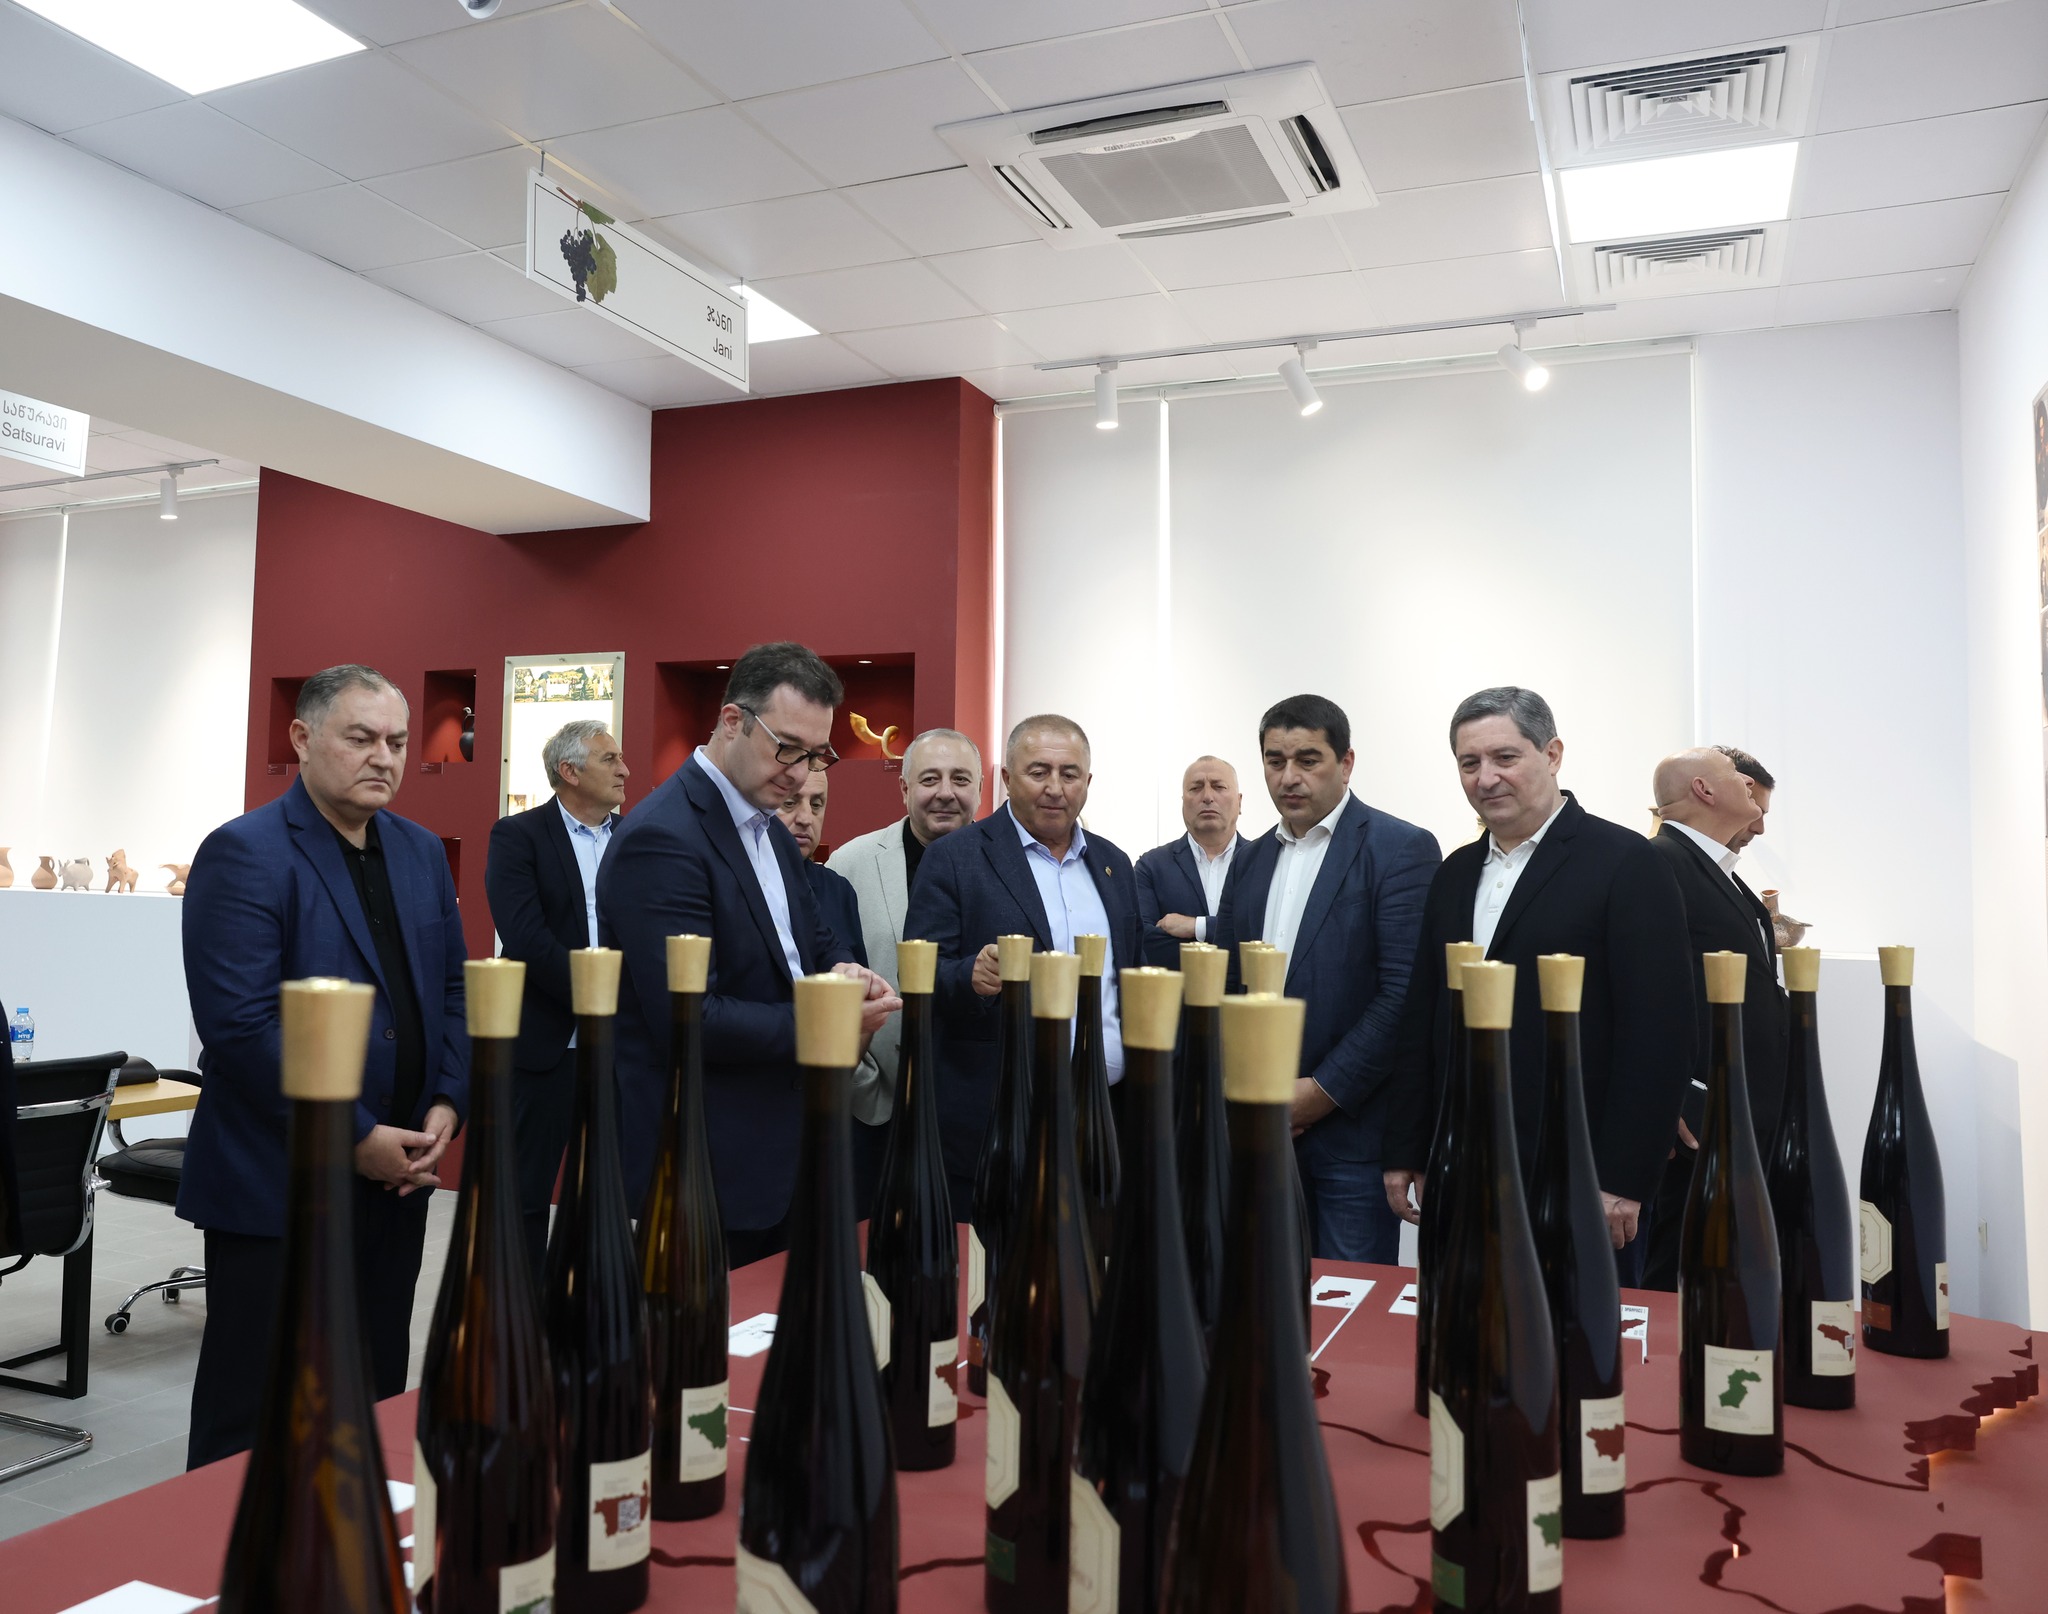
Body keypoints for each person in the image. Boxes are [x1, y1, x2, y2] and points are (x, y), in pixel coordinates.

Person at [179, 665, 467, 1468]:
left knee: (370, 1394)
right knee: (254, 1413)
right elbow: (240, 1028)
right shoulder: (244, 853)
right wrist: (356, 1135)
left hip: (396, 1181)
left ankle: (354, 1534)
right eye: (362, 738)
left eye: (397, 742)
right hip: (278, 1182)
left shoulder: (418, 851)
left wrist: (449, 1100)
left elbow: (451, 989)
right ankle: (225, 1545)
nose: (385, 757)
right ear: (302, 738)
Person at [598, 643, 899, 1268]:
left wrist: (844, 971)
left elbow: (815, 939)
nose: (801, 773)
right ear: (732, 721)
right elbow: (689, 1016)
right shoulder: (661, 838)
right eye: (787, 747)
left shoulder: (766, 826)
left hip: (788, 1148)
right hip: (706, 1163)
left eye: (816, 755)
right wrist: (828, 1020)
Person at [1380, 687, 1694, 1284]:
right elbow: (1423, 1019)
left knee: (1576, 1335)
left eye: (1505, 757)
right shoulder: (1454, 873)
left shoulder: (1627, 862)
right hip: (1460, 1165)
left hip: (1577, 1171)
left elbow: (1658, 1032)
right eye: (1469, 763)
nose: (1486, 778)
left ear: (1552, 754)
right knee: (1462, 1327)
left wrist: (1625, 1178)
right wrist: (1406, 1146)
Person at [1211, 694, 1439, 1263]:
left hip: (1351, 1137)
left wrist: (1320, 1094)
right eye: (1275, 761)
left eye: (1308, 760)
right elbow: (1234, 985)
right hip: (1260, 1130)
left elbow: (1403, 994)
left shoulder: (1400, 848)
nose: (1289, 777)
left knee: (1346, 1303)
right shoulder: (1250, 859)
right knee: (1262, 1294)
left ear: (1346, 762)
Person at [903, 715, 1142, 1215]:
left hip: (1103, 1121)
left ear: (1088, 782)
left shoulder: (1114, 864)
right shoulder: (954, 858)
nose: (1055, 788)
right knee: (994, 1264)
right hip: (1001, 1124)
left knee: (1094, 1259)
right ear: (1008, 779)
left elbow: (1128, 981)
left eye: (1069, 774)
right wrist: (970, 976)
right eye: (1039, 772)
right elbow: (920, 975)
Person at [483, 718, 628, 1280]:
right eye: (610, 759)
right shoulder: (518, 836)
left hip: (621, 1045)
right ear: (569, 771)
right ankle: (520, 1310)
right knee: (524, 1191)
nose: (625, 770)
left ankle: (592, 1301)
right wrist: (597, 992)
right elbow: (524, 937)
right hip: (547, 1043)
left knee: (607, 1191)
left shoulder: (637, 837)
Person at [1638, 745, 1788, 1290]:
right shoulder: (1659, 863)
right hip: (1702, 1112)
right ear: (1703, 789)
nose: (1748, 789)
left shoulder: (1720, 871)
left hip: (1742, 1105)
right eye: (1736, 778)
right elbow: (1643, 989)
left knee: (1729, 1266)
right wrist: (1677, 1091)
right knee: (1682, 1264)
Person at [826, 729, 984, 1201]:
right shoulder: (850, 864)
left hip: (974, 1111)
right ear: (904, 788)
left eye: (960, 779)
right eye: (929, 779)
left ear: (981, 788)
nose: (945, 792)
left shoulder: (1010, 867)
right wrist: (856, 1071)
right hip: (874, 1105)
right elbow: (825, 975)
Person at [1134, 755, 1249, 967]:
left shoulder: (1261, 862)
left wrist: (1197, 927)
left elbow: (1269, 935)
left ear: (1239, 802)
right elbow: (1144, 943)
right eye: (1196, 788)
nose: (1207, 797)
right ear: (1183, 802)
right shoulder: (1151, 867)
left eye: (1219, 787)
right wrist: (1230, 944)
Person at [775, 768, 867, 967]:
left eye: (816, 805)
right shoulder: (735, 880)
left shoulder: (838, 889)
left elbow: (856, 976)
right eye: (789, 803)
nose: (806, 819)